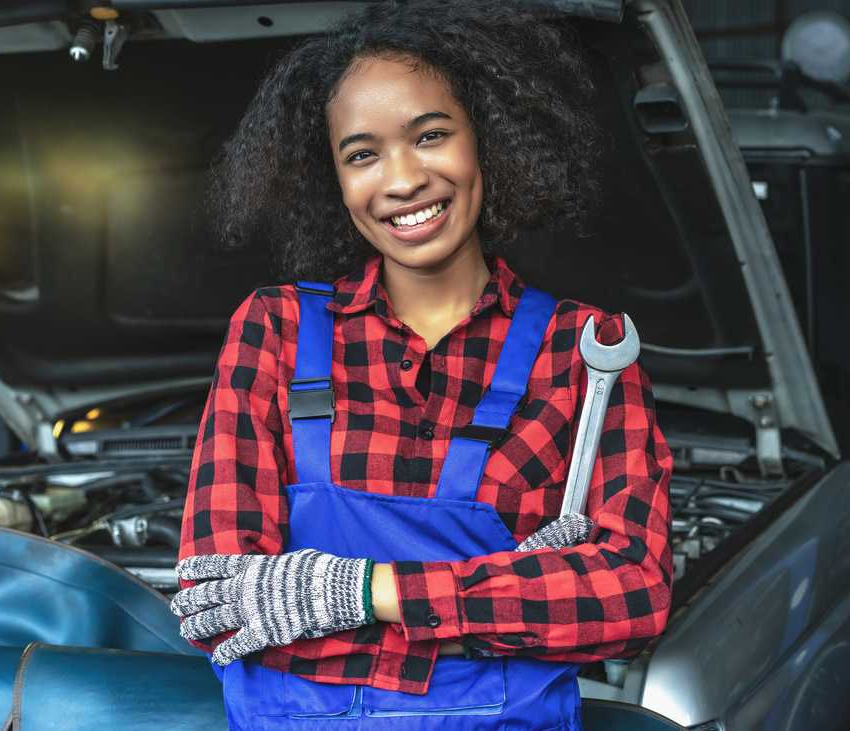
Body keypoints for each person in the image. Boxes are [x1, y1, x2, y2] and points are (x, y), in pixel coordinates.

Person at [171, 2, 673, 729]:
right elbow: (216, 603)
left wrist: (361, 590)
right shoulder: (275, 329)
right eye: (362, 153)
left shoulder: (584, 353)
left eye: (430, 135)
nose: (401, 180)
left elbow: (631, 597)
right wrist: (509, 596)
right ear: (333, 179)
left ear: (488, 140)